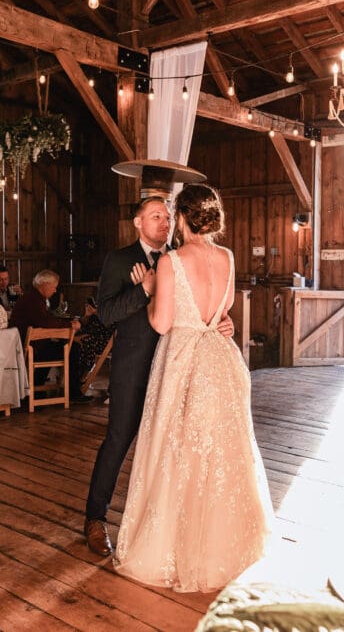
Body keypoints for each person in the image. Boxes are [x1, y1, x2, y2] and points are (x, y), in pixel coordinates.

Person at [113, 184, 271, 592]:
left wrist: (148, 292)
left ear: (182, 217)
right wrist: (221, 322)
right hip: (220, 360)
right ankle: (224, 547)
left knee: (175, 449)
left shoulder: (170, 262)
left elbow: (162, 323)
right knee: (218, 453)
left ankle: (173, 547)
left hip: (183, 360)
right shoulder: (228, 257)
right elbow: (224, 310)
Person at [83, 196, 234, 558]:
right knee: (118, 440)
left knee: (172, 448)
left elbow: (205, 306)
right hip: (134, 368)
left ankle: (164, 526)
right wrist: (144, 289)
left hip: (180, 368)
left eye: (168, 217)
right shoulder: (120, 260)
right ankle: (95, 519)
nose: (164, 223)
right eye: (155, 217)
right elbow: (105, 315)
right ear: (138, 222)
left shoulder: (178, 258)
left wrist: (224, 323)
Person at [8, 269, 88, 401]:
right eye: (54, 287)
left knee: (55, 347)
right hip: (27, 347)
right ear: (45, 284)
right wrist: (70, 325)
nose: (55, 291)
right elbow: (44, 322)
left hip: (29, 345)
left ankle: (37, 386)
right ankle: (73, 393)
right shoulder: (33, 300)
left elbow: (45, 319)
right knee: (72, 348)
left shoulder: (34, 297)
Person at [75, 297, 114, 390]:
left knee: (86, 341)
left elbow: (110, 323)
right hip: (90, 334)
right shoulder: (95, 307)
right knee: (74, 339)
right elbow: (83, 323)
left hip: (104, 340)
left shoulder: (111, 307)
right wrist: (87, 315)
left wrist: (96, 312)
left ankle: (82, 376)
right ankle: (73, 376)